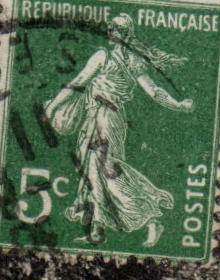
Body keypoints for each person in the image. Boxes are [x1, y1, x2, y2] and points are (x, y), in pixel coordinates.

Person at [42, 12, 193, 247]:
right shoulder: (129, 59)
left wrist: (52, 107)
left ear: (123, 34)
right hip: (99, 118)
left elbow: (78, 83)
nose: (111, 32)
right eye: (111, 28)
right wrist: (178, 105)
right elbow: (154, 92)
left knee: (107, 170)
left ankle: (152, 217)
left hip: (106, 118)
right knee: (95, 171)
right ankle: (97, 228)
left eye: (115, 29)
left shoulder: (108, 57)